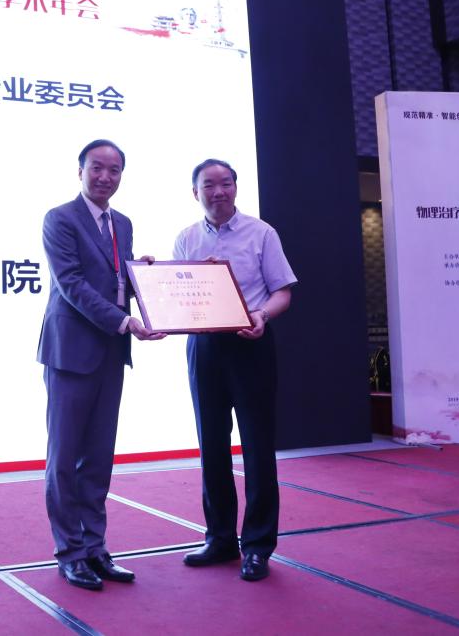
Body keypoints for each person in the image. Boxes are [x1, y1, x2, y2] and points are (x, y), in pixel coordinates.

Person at [38, 139, 164, 591]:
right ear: (80, 171)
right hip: (72, 351)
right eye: (97, 167)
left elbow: (112, 277)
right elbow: (72, 283)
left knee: (97, 458)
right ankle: (70, 553)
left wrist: (141, 274)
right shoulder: (60, 218)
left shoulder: (122, 223)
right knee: (64, 458)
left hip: (111, 351)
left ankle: (95, 547)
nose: (105, 177)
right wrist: (125, 321)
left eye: (114, 170)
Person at [171, 159, 296, 581]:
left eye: (226, 183)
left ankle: (258, 546)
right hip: (204, 346)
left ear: (236, 188)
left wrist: (262, 315)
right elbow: (178, 298)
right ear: (196, 193)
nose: (218, 191)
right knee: (211, 444)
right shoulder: (186, 238)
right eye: (209, 185)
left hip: (251, 342)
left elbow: (282, 292)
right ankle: (220, 538)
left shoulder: (262, 233)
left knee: (257, 446)